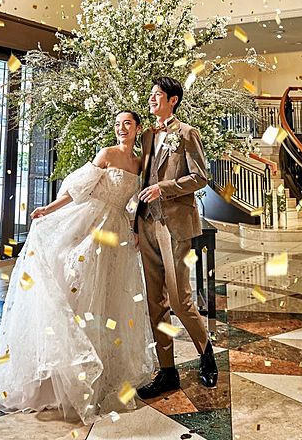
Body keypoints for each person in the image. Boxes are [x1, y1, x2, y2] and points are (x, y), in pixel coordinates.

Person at [0, 110, 154, 423]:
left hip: (118, 232)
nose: (121, 128)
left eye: (127, 124)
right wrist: (49, 209)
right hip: (91, 223)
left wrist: (134, 228)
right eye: (118, 124)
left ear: (138, 128)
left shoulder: (139, 164)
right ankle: (65, 373)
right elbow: (77, 189)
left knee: (110, 298)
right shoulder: (106, 154)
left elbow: (137, 202)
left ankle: (102, 369)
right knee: (80, 289)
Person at [135, 77, 218, 399]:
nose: (151, 99)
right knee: (155, 303)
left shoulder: (187, 133)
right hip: (147, 224)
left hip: (176, 226)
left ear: (173, 100)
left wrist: (164, 188)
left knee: (181, 300)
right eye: (151, 94)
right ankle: (167, 371)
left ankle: (206, 353)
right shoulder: (146, 135)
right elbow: (141, 177)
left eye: (157, 95)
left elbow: (200, 177)